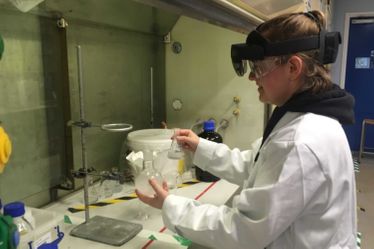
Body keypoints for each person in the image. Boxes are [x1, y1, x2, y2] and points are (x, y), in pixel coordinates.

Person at [136, 10, 357, 249]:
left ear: (293, 68)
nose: (252, 77)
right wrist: (200, 147)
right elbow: (257, 166)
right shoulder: (309, 118)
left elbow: (243, 232)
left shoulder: (299, 141)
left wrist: (171, 205)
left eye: (259, 67)